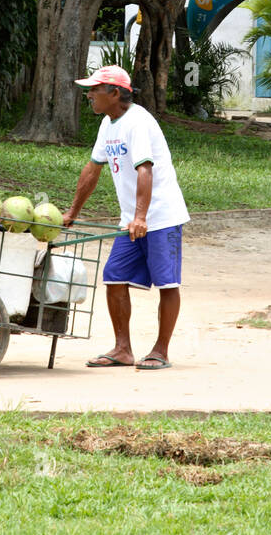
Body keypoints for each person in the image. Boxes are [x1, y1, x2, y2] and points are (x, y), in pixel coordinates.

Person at [63, 65, 189, 371]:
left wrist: (141, 217)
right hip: (132, 218)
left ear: (115, 93)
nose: (89, 95)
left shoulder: (137, 122)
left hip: (160, 215)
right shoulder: (109, 124)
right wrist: (72, 212)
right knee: (114, 278)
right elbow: (92, 170)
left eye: (94, 90)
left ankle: (161, 350)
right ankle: (123, 349)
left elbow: (145, 169)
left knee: (167, 283)